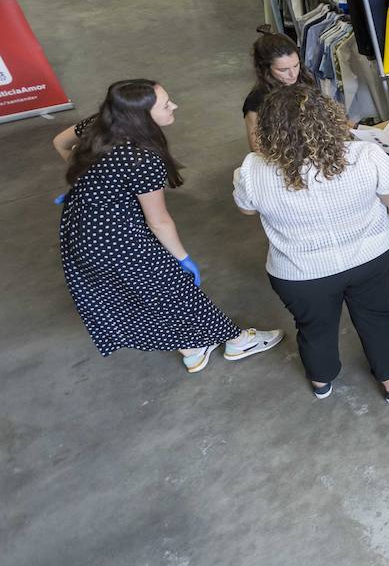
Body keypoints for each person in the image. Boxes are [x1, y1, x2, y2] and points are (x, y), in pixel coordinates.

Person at [52, 79, 282, 373]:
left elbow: (59, 143)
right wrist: (182, 258)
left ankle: (192, 348)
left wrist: (89, 180)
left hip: (80, 229)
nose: (174, 106)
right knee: (177, 288)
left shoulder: (99, 124)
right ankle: (236, 340)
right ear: (141, 116)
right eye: (165, 105)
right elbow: (159, 221)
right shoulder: (141, 158)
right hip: (118, 240)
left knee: (141, 293)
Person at [233, 85, 389, 403]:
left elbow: (246, 208)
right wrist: (388, 236)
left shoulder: (252, 169)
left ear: (269, 129)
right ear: (329, 118)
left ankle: (322, 382)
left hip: (300, 272)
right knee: (377, 318)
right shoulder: (365, 155)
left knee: (314, 327)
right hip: (371, 255)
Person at [243, 27, 314, 153]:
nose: (293, 74)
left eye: (296, 65)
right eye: (283, 70)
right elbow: (258, 149)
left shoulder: (304, 81)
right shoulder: (255, 103)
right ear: (265, 69)